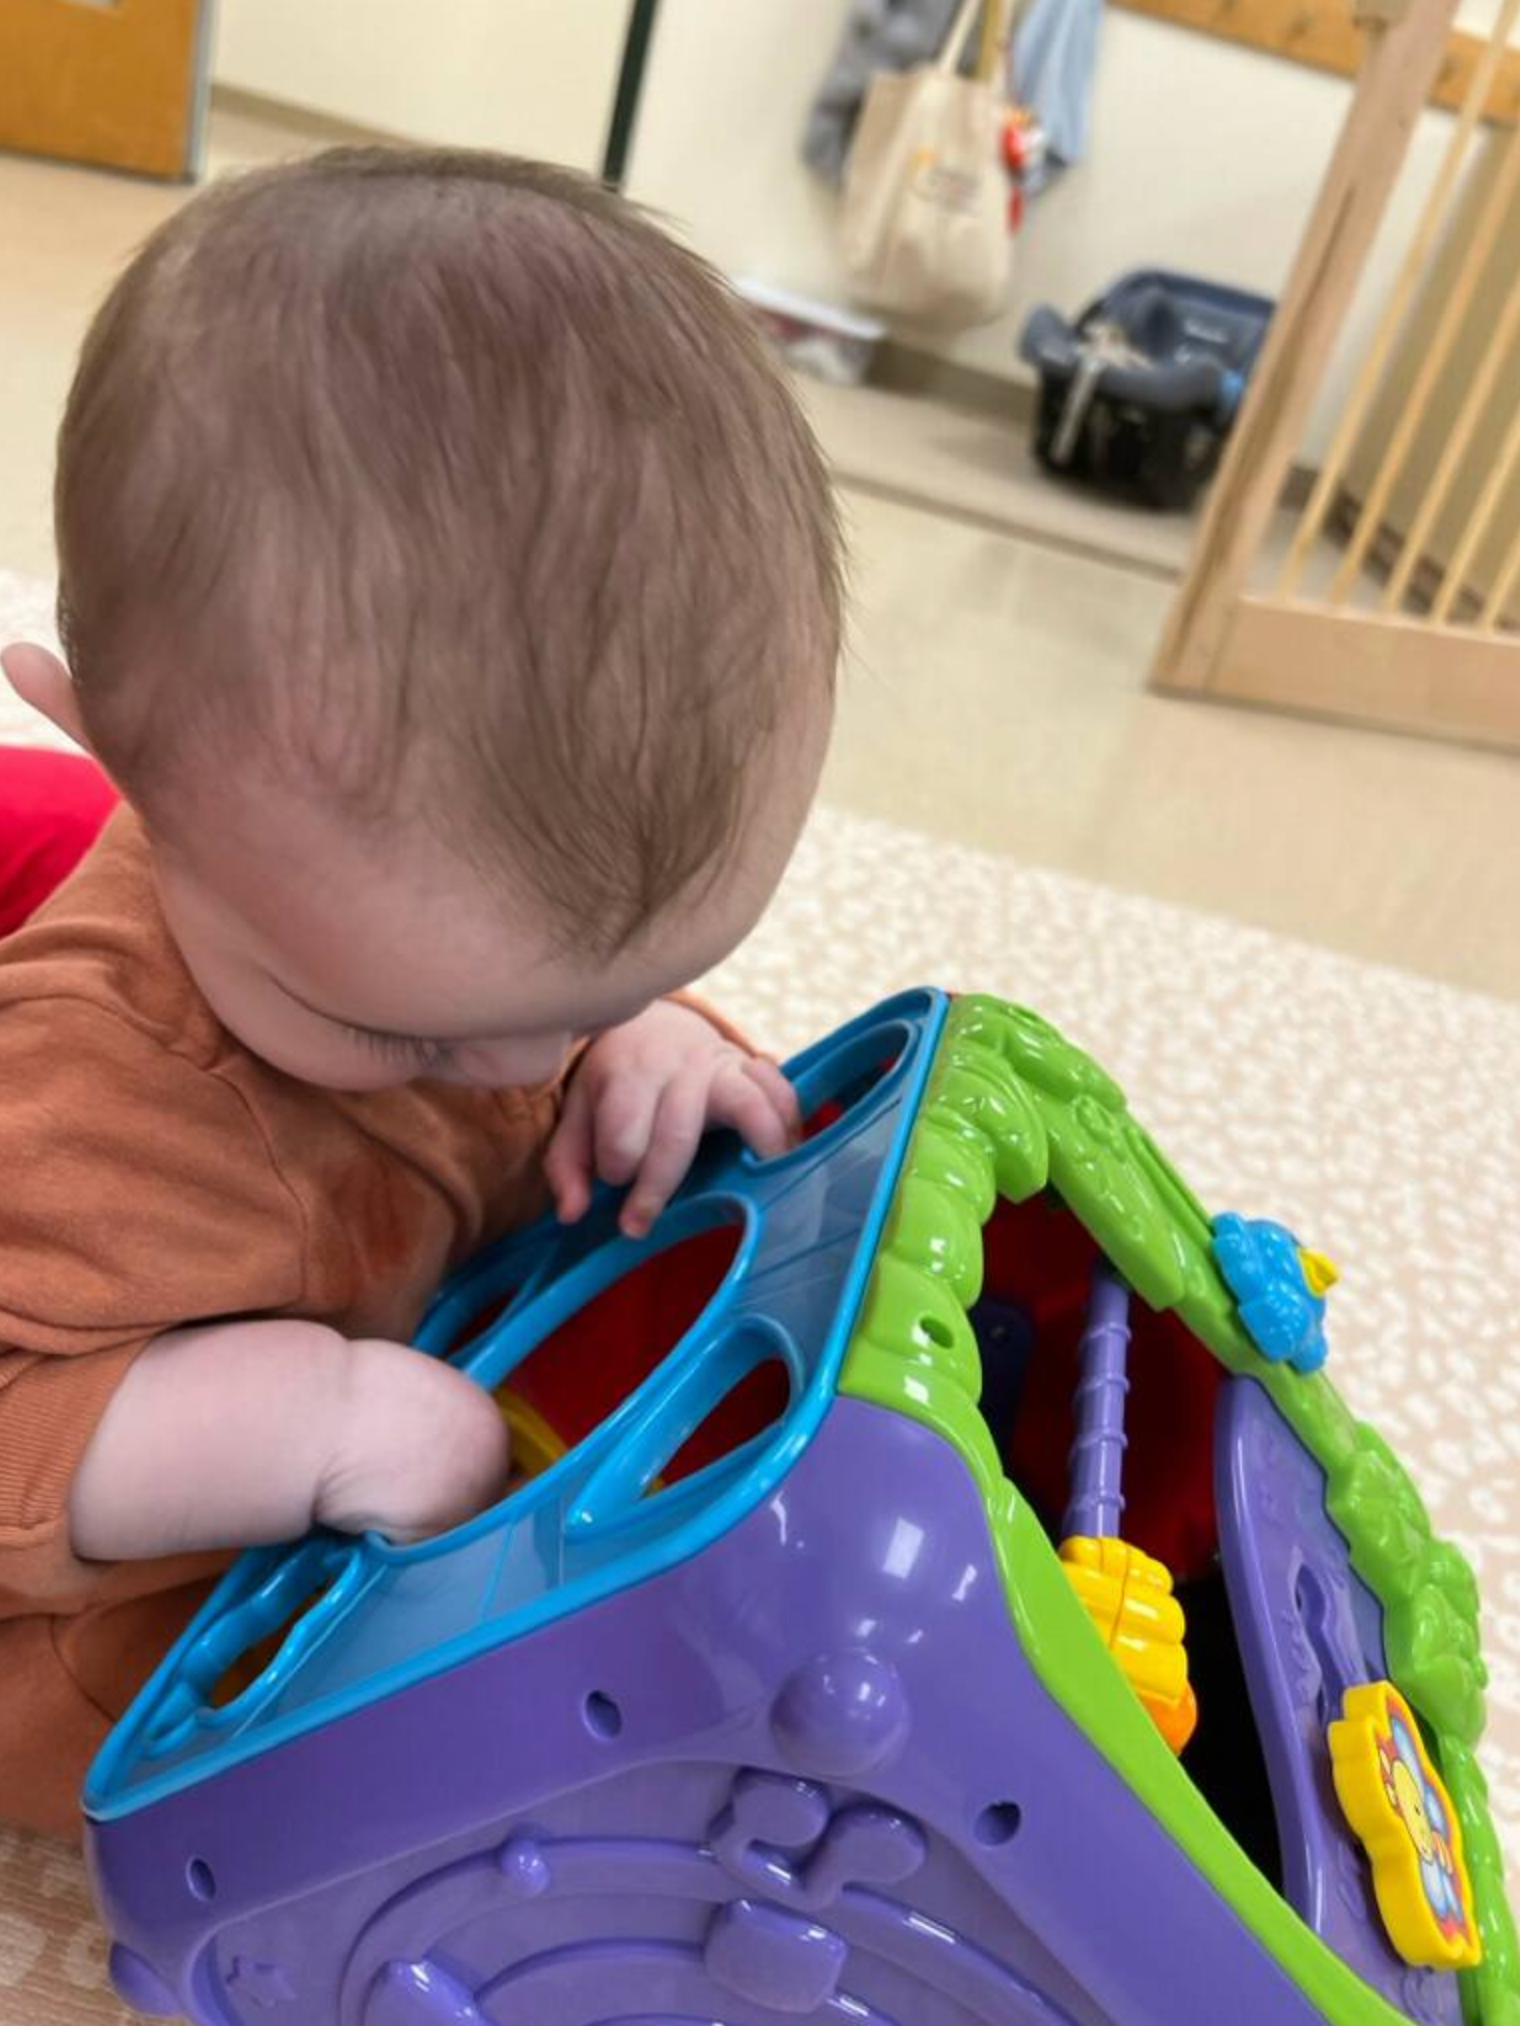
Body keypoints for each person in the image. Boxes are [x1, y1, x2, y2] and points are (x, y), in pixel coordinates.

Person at [0, 147, 841, 1837]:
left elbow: (549, 1018)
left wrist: (657, 1042)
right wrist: (285, 1420)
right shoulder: (92, 1093)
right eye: (409, 1033)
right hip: (129, 1696)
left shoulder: (457, 948)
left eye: (624, 978)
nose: (526, 1064)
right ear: (122, 766)